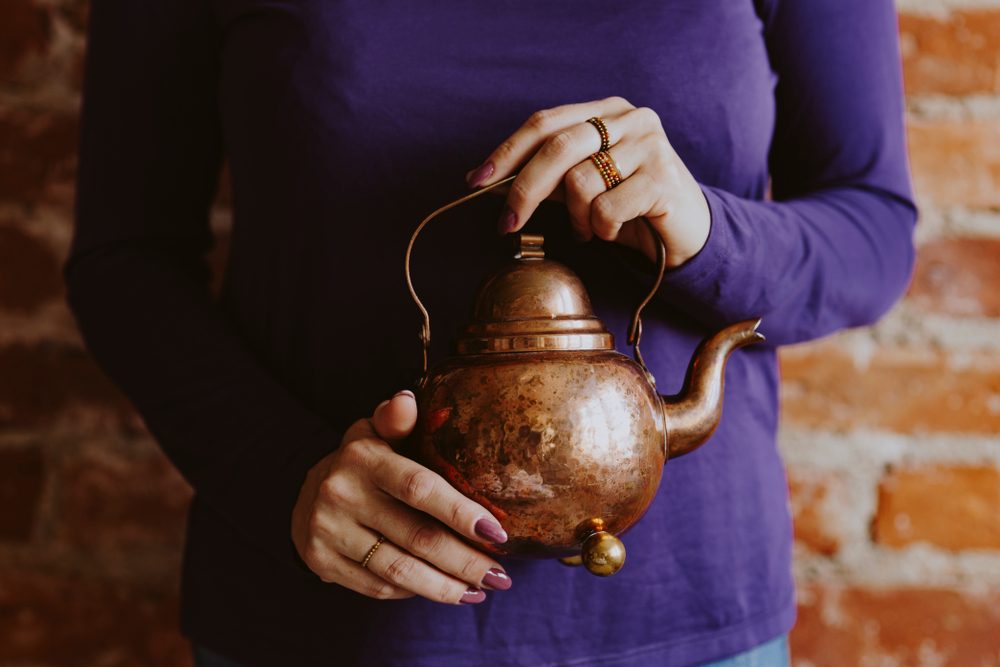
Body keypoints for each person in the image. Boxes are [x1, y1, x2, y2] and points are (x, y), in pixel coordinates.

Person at [65, 0, 916, 665]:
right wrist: (283, 474)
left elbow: (872, 234)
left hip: (685, 621)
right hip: (334, 623)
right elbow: (126, 257)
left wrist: (701, 229)